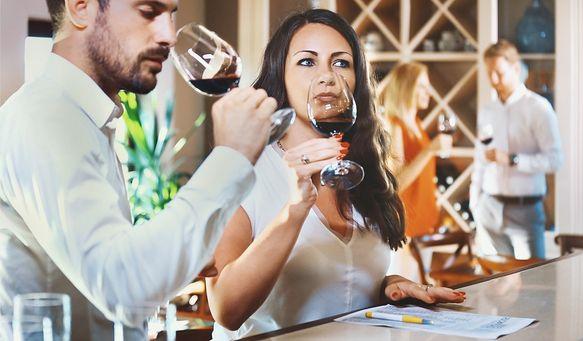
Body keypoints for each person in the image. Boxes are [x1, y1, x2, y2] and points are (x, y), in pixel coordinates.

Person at [0, 0, 276, 339]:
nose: (170, 36)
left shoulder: (88, 119)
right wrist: (230, 155)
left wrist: (182, 255)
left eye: (171, 15)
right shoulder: (46, 117)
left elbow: (111, 262)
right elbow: (122, 289)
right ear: (81, 7)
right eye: (148, 12)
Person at [206, 9, 466, 340]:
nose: (327, 76)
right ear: (279, 74)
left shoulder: (365, 171)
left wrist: (389, 286)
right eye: (307, 62)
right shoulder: (245, 169)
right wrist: (295, 210)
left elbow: (343, 281)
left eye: (341, 63)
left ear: (356, 81)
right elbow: (226, 309)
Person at [469, 40, 563, 260]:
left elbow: (555, 159)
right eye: (489, 73)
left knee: (533, 285)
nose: (493, 80)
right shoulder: (487, 111)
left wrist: (514, 159)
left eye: (499, 73)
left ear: (516, 68)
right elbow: (480, 159)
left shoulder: (539, 108)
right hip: (489, 210)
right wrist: (475, 204)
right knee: (495, 287)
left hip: (526, 212)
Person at [380, 62, 452, 238]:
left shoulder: (417, 124)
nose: (429, 92)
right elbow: (395, 184)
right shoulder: (394, 125)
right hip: (407, 225)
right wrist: (429, 150)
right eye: (422, 86)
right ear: (406, 88)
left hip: (424, 220)